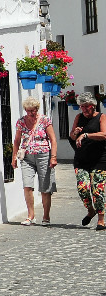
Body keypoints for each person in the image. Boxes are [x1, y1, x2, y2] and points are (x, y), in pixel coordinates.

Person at [11, 97, 58, 225]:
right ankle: (31, 215)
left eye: (33, 110)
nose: (31, 113)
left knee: (45, 187)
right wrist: (13, 157)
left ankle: (46, 216)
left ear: (37, 109)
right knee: (27, 185)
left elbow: (53, 139)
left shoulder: (44, 120)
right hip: (27, 157)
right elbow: (16, 141)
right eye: (29, 110)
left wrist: (53, 157)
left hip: (44, 155)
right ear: (25, 110)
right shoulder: (21, 122)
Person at [70, 93, 106, 229]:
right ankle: (91, 210)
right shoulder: (78, 117)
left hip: (100, 159)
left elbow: (104, 134)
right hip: (81, 160)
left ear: (93, 106)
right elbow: (72, 136)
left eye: (86, 106)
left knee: (98, 190)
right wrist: (75, 133)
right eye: (82, 106)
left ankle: (101, 220)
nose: (84, 109)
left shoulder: (101, 117)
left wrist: (86, 135)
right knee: (83, 188)